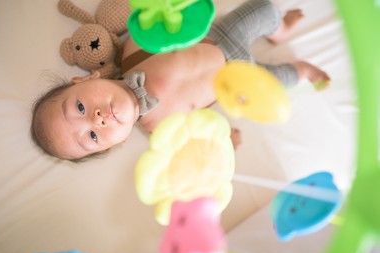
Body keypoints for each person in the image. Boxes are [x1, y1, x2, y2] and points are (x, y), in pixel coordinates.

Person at [31, 0, 330, 161]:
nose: (97, 119)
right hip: (238, 82)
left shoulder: (133, 52)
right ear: (111, 147)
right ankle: (302, 70)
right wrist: (223, 139)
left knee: (264, 9)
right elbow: (199, 135)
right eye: (93, 137)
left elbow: (161, 20)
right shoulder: (162, 130)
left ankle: (280, 31)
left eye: (81, 108)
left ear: (83, 79)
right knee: (279, 83)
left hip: (223, 35)